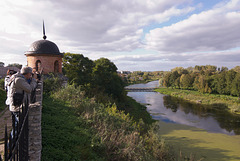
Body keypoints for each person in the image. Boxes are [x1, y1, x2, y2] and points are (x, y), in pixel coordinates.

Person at [6, 67, 37, 137]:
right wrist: (34, 80)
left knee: (16, 126)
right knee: (17, 128)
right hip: (17, 107)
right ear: (28, 73)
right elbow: (29, 89)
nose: (31, 76)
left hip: (15, 106)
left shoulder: (16, 78)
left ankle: (13, 143)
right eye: (30, 74)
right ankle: (11, 145)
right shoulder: (19, 80)